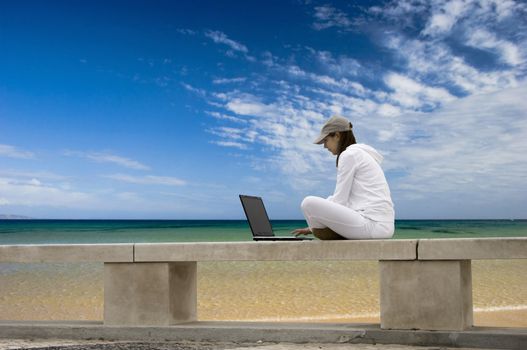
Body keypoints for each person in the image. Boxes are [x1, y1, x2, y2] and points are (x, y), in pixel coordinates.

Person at [291, 115, 395, 240]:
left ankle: (332, 232)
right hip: (382, 226)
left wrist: (316, 224)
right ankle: (333, 231)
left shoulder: (349, 155)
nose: (324, 146)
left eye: (325, 140)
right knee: (322, 205)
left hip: (372, 225)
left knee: (308, 203)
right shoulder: (360, 154)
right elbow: (344, 200)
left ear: (337, 135)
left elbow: (340, 200)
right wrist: (314, 226)